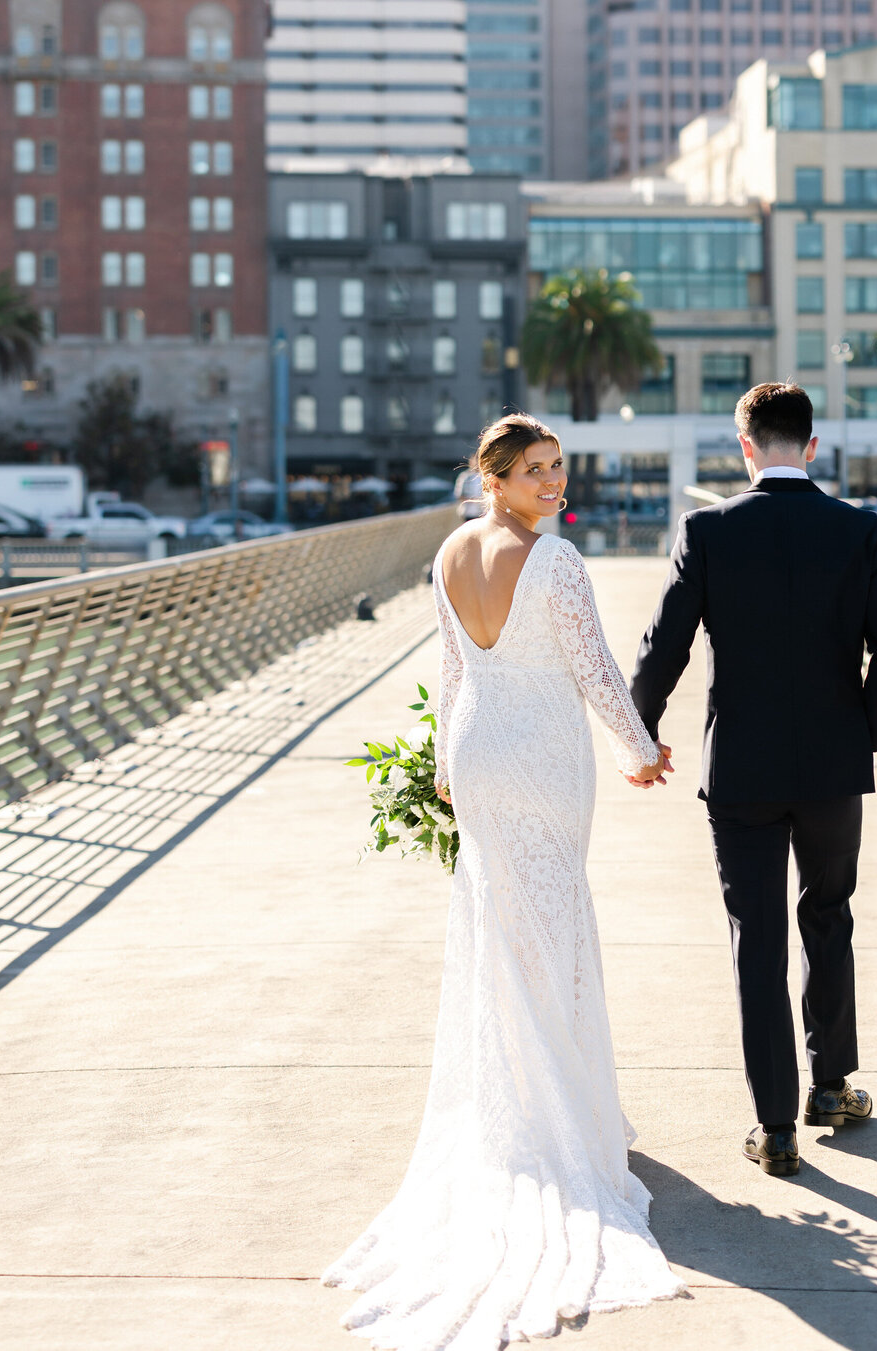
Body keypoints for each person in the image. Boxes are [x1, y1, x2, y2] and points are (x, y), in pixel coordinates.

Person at [323, 414, 683, 1348]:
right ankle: (567, 1115)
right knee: (554, 921)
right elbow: (595, 668)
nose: (553, 483)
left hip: (479, 750)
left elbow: (450, 666)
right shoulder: (555, 563)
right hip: (542, 756)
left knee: (499, 923)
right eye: (535, 471)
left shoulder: (449, 551)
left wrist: (447, 759)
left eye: (558, 467)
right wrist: (641, 750)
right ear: (497, 477)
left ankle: (521, 1102)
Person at [630, 383, 877, 1180]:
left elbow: (666, 645)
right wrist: (863, 732)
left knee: (756, 936)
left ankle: (775, 1126)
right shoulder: (860, 531)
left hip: (743, 769)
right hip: (832, 766)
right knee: (828, 914)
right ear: (813, 446)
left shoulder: (709, 529)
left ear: (744, 445)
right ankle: (832, 1087)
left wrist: (640, 732)